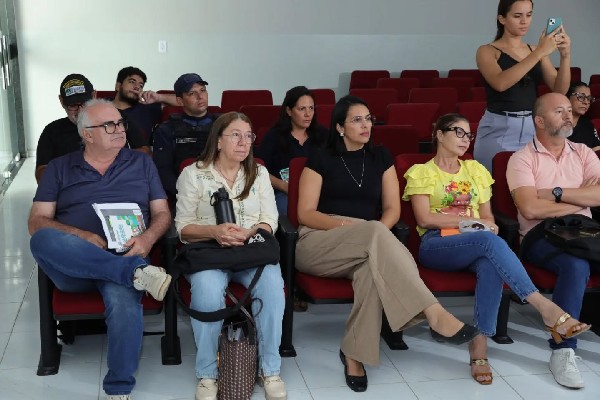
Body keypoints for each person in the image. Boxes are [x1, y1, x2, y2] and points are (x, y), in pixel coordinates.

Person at [294, 96, 480, 393]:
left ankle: (354, 354)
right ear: (340, 127)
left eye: (369, 118)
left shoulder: (381, 157)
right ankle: (433, 312)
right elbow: (306, 213)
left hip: (370, 241)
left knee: (371, 271)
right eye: (357, 120)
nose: (366, 125)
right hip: (319, 239)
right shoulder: (320, 158)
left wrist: (372, 231)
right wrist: (357, 228)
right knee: (375, 233)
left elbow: (392, 209)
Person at [403, 113, 591, 386]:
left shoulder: (476, 171)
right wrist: (470, 223)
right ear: (439, 135)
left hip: (477, 241)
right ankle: (547, 309)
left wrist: (483, 225)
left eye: (469, 135)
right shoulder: (422, 172)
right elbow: (424, 219)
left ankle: (479, 347)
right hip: (437, 243)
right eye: (458, 132)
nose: (465, 140)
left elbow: (488, 218)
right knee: (489, 241)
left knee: (491, 262)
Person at [28, 99, 172, 400]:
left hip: (127, 252)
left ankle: (119, 387)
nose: (119, 129)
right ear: (87, 134)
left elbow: (162, 213)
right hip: (75, 265)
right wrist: (80, 235)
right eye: (109, 125)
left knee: (122, 301)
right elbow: (37, 221)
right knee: (41, 239)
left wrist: (147, 239)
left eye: (120, 123)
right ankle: (134, 274)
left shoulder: (142, 163)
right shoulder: (59, 168)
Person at [175, 112, 287, 400]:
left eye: (248, 136)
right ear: (218, 141)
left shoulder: (258, 173)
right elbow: (183, 228)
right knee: (207, 292)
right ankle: (207, 373)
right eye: (235, 135)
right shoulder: (193, 174)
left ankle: (270, 369)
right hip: (209, 252)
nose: (243, 142)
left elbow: (270, 219)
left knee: (273, 288)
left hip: (251, 250)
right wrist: (215, 232)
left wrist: (251, 233)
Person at [507, 92, 599, 389]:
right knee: (576, 265)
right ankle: (563, 349)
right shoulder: (521, 158)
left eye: (569, 110)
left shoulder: (583, 152)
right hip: (540, 234)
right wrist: (579, 198)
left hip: (583, 230)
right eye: (559, 111)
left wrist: (555, 193)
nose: (568, 115)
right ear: (539, 120)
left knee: (581, 258)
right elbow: (530, 209)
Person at [474, 0, 572, 171]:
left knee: (529, 181)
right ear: (502, 19)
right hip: (498, 126)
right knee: (491, 180)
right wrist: (540, 52)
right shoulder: (487, 50)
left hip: (531, 126)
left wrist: (565, 56)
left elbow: (559, 90)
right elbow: (500, 83)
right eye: (517, 16)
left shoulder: (536, 50)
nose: (524, 21)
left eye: (529, 15)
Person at [35, 73, 150, 182]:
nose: (80, 111)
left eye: (85, 103)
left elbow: (146, 153)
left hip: (118, 182)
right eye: (73, 106)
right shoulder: (52, 131)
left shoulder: (117, 117)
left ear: (94, 95)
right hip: (74, 188)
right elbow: (41, 175)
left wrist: (115, 161)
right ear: (61, 101)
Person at [257, 86, 327, 215]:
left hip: (318, 192)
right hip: (285, 193)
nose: (308, 114)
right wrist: (284, 186)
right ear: (289, 111)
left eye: (311, 108)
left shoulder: (323, 135)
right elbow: (260, 170)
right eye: (302, 109)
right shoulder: (274, 137)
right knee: (286, 209)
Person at [153, 73, 219, 198]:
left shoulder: (224, 124)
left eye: (202, 90)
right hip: (184, 194)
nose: (200, 97)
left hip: (223, 191)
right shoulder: (167, 130)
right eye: (192, 93)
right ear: (180, 101)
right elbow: (163, 171)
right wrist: (186, 194)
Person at [112, 66, 178, 142]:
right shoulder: (102, 105)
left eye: (141, 85)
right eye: (132, 82)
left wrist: (159, 97)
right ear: (118, 86)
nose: (137, 87)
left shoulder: (148, 108)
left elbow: (184, 102)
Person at [566, 81, 600, 151]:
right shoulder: (556, 124)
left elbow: (597, 149)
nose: (586, 102)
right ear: (567, 97)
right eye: (581, 97)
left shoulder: (588, 125)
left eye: (589, 98)